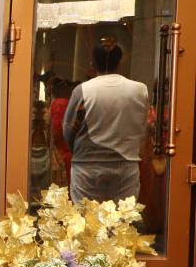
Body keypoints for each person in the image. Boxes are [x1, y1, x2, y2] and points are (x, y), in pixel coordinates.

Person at [63, 41, 149, 203]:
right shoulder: (140, 90)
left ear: (93, 63)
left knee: (85, 216)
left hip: (87, 165)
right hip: (126, 164)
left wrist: (77, 151)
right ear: (120, 62)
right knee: (123, 217)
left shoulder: (82, 90)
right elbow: (142, 127)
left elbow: (68, 131)